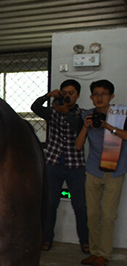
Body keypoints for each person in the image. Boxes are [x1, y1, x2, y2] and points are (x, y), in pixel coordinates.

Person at [31, 79, 88, 253]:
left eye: (71, 93)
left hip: (75, 165)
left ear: (78, 95)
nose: (68, 96)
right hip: (53, 164)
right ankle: (47, 239)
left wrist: (66, 112)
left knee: (80, 205)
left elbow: (76, 127)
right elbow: (35, 107)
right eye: (65, 93)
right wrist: (47, 96)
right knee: (50, 204)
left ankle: (85, 241)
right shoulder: (52, 112)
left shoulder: (82, 114)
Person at [75, 79, 125, 266]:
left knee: (109, 215)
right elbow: (79, 145)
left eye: (104, 94)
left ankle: (104, 254)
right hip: (94, 169)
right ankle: (94, 252)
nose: (99, 98)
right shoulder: (87, 115)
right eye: (96, 94)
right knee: (93, 214)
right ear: (91, 97)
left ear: (111, 96)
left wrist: (107, 126)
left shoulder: (121, 114)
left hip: (116, 170)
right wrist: (86, 126)